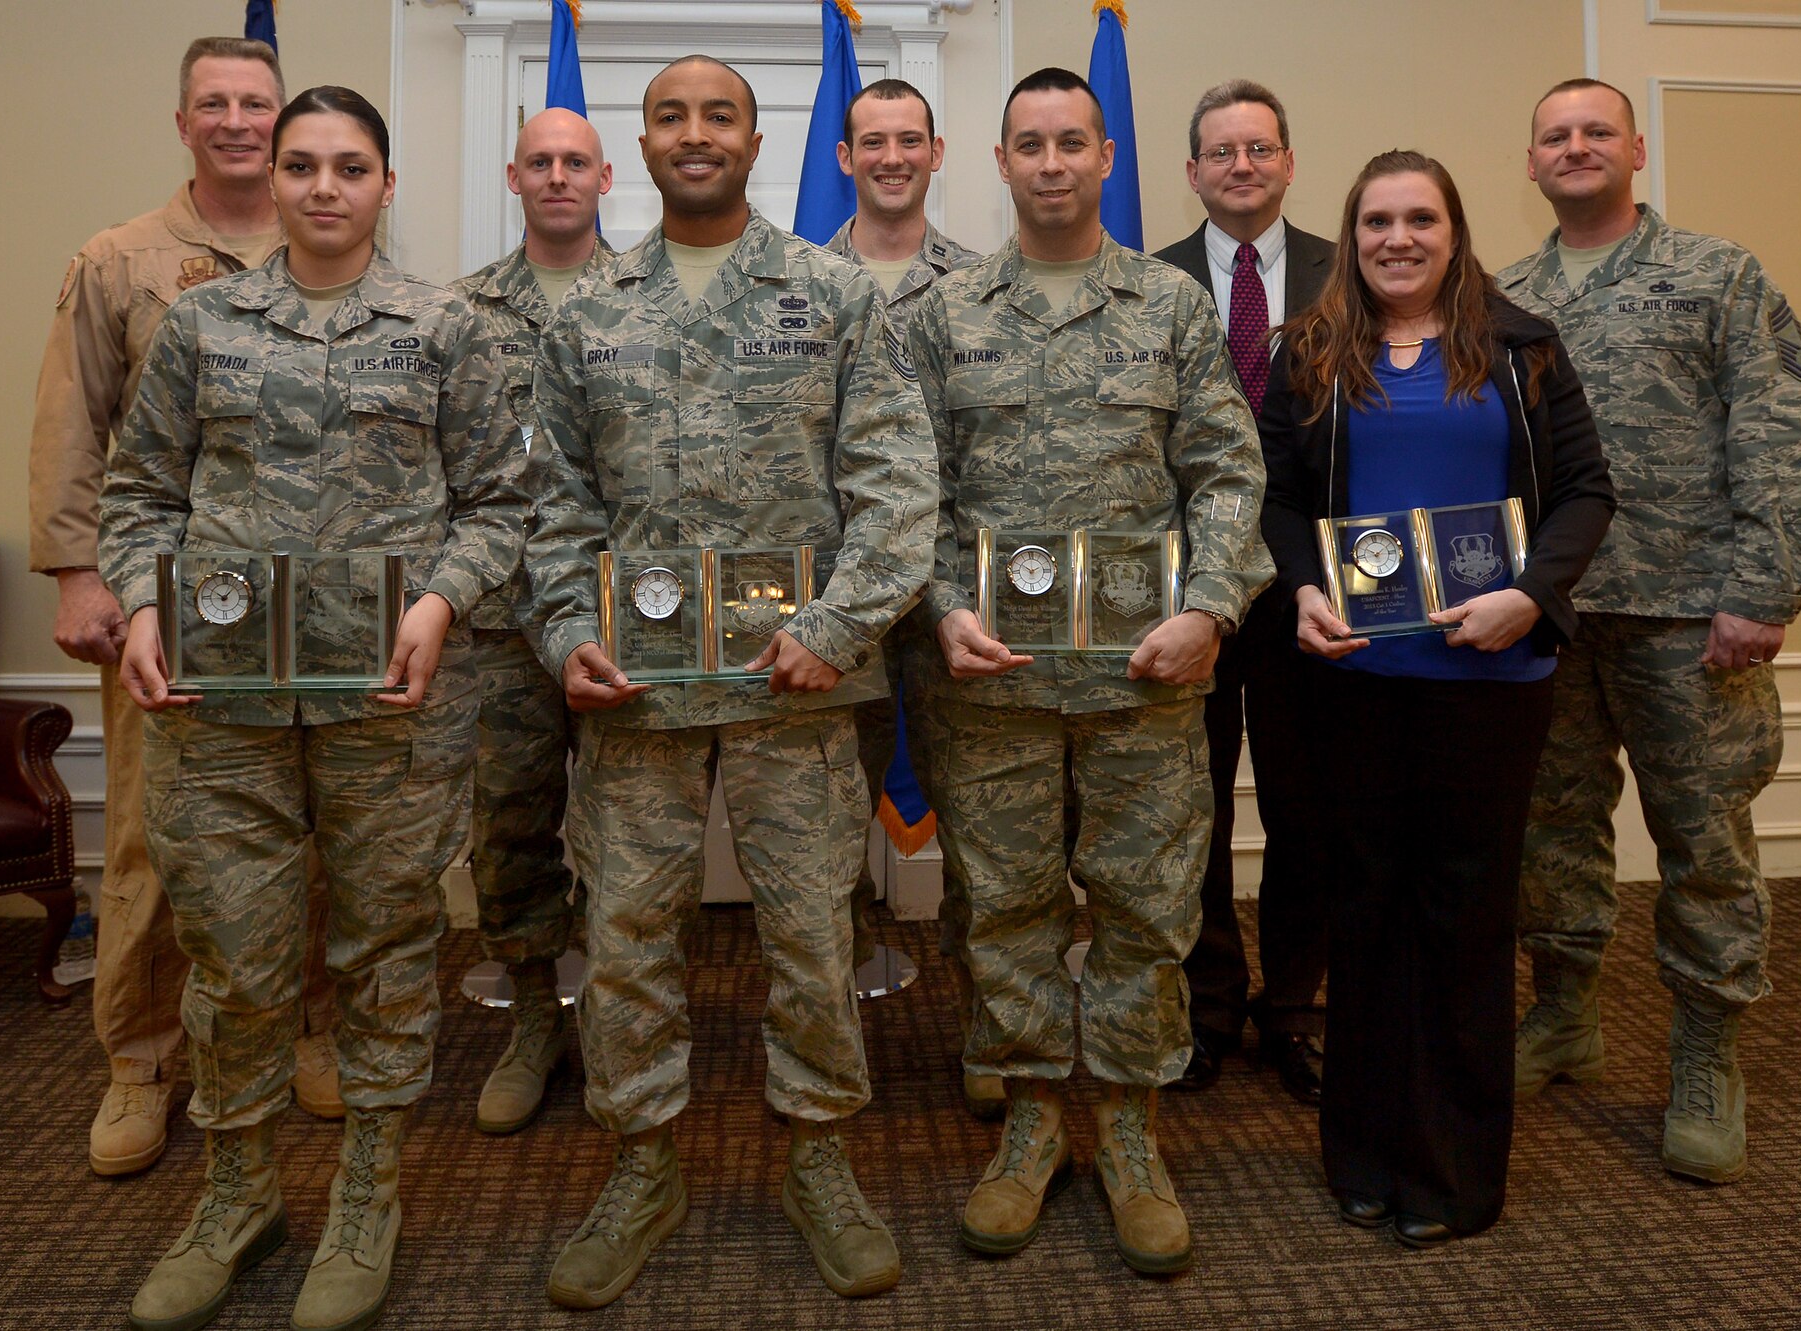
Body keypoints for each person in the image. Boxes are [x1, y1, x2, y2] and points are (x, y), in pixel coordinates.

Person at [99, 86, 526, 1331]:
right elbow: (140, 499)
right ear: (271, 182)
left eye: (351, 166)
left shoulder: (451, 329)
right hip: (219, 700)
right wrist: (137, 606)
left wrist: (440, 601)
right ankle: (236, 1194)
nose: (325, 186)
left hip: (391, 700)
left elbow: (503, 504)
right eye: (303, 165)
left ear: (386, 185)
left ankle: (365, 1192)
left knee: (388, 951)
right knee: (234, 954)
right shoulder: (201, 324)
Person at [523, 55, 936, 1306]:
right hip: (634, 699)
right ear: (636, 145)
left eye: (719, 116)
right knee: (628, 937)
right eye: (668, 117)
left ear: (759, 141)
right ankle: (640, 1162)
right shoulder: (586, 309)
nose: (693, 135)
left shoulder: (831, 294)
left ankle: (819, 1155)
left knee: (811, 937)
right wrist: (560, 633)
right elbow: (552, 508)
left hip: (795, 688)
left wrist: (839, 626)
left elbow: (897, 488)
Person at [909, 67, 1270, 1276]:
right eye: (1030, 144)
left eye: (1073, 142)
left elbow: (1225, 472)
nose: (1052, 162)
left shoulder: (1168, 308)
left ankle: (1124, 1129)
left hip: (1143, 681)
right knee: (1003, 914)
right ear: (999, 163)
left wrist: (1212, 606)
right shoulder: (941, 316)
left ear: (1105, 158)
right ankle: (1026, 1125)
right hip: (991, 686)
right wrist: (943, 609)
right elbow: (906, 491)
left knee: (1143, 911)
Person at [1259, 149, 1613, 1248]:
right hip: (1355, 678)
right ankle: (1362, 1155)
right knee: (1363, 910)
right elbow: (1273, 500)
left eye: (1418, 218)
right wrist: (1302, 589)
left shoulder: (1520, 350)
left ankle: (1455, 1170)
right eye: (1375, 222)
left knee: (1462, 919)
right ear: (1351, 236)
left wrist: (1530, 594)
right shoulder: (1307, 353)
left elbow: (1586, 490)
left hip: (1489, 679)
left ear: (1454, 231)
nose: (1396, 239)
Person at [1501, 79, 1801, 1183]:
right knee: (1550, 832)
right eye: (1554, 134)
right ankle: (1563, 1010)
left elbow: (1783, 428)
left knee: (1702, 841)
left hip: (1689, 612)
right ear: (1530, 161)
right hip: (1548, 614)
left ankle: (1704, 1048)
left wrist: (1762, 588)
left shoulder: (1715, 273)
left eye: (1595, 129)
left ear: (1635, 147)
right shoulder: (1505, 293)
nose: (1575, 146)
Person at [28, 35, 343, 1177]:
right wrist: (79, 575)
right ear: (183, 122)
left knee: (308, 830)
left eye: (256, 102)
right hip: (166, 603)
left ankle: (311, 1024)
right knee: (156, 846)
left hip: (313, 609)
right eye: (214, 102)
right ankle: (141, 1060)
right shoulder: (121, 260)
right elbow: (75, 425)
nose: (238, 121)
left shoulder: (332, 245)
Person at [1153, 78, 1332, 1102]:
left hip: (1313, 587)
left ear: (1287, 162)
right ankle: (1208, 1003)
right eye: (1221, 152)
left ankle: (1295, 1007)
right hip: (1190, 593)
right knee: (1195, 810)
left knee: (1308, 808)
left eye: (1259, 149)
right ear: (1191, 172)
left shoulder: (1348, 274)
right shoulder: (1148, 281)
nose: (1242, 167)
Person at [824, 76, 994, 1118]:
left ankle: (988, 1024)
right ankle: (831, 1031)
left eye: (907, 140)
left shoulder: (981, 287)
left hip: (948, 612)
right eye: (869, 141)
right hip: (828, 611)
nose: (889, 156)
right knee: (823, 835)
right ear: (843, 158)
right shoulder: (796, 286)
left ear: (937, 153)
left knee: (982, 832)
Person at [449, 106, 614, 1137]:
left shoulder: (647, 300)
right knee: (508, 824)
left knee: (621, 833)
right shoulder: (458, 312)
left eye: (575, 163)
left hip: (619, 619)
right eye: (539, 162)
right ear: (513, 177)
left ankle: (615, 1012)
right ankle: (531, 1014)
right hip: (502, 621)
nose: (557, 176)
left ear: (606, 178)